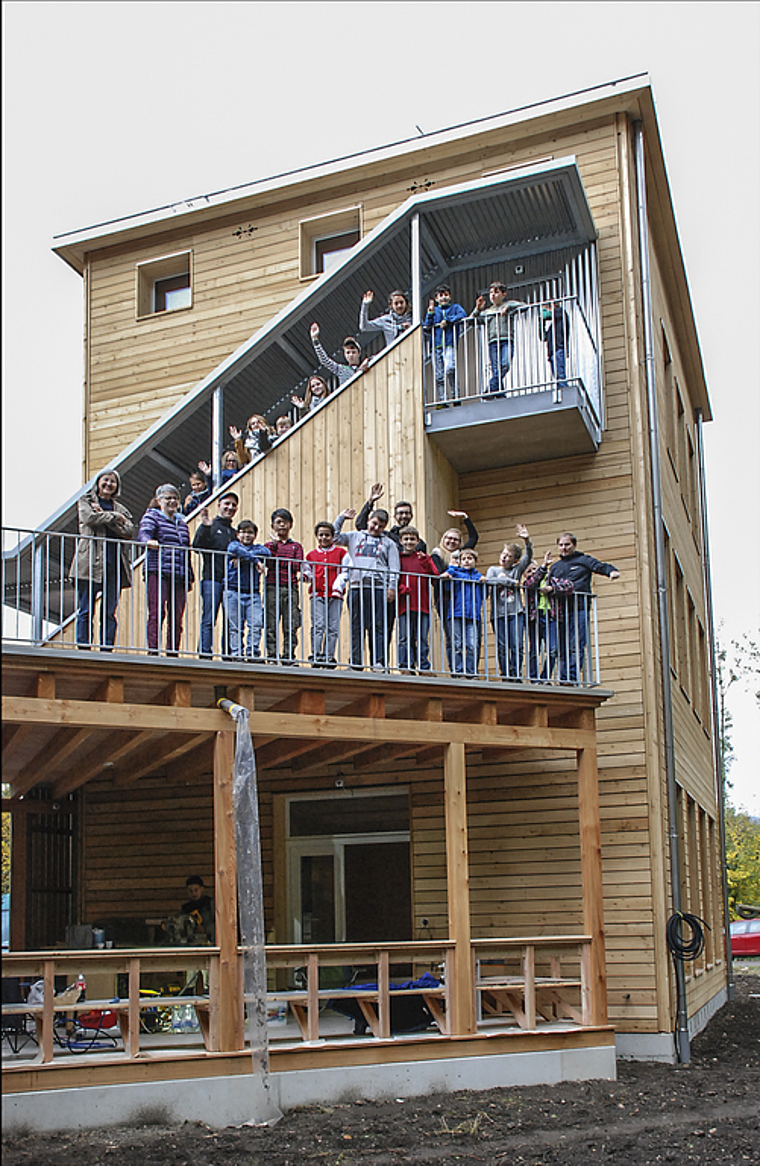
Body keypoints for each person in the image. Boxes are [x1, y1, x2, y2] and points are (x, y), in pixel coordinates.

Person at [70, 470, 136, 650]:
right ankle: (84, 647)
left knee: (109, 612)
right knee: (85, 609)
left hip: (114, 564)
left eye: (113, 481)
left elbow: (129, 531)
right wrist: (115, 518)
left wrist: (106, 516)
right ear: (98, 482)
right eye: (106, 480)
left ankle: (107, 648)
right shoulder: (86, 501)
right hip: (89, 562)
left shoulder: (121, 508)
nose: (109, 484)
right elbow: (89, 518)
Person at [545, 532, 620, 682]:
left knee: (576, 644)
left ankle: (570, 678)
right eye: (561, 545)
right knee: (562, 646)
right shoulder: (556, 566)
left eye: (567, 545)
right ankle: (563, 678)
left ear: (574, 545)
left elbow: (600, 566)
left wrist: (611, 571)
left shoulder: (583, 560)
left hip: (579, 608)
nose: (564, 548)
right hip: (560, 610)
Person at [333, 505, 400, 671]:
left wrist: (391, 586)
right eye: (374, 523)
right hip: (357, 587)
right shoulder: (355, 536)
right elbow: (334, 538)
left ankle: (379, 662)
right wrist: (341, 518)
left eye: (381, 526)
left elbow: (394, 567)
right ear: (369, 520)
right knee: (357, 625)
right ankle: (356, 663)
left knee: (378, 626)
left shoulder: (389, 543)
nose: (376, 528)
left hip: (379, 588)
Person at [138, 484, 193, 654]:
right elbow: (144, 533)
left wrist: (189, 575)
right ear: (158, 501)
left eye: (175, 498)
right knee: (157, 612)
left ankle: (172, 651)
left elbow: (186, 550)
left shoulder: (182, 523)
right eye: (168, 497)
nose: (172, 501)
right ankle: (153, 650)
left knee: (177, 616)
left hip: (179, 573)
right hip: (158, 570)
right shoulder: (152, 517)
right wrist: (148, 541)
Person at [192, 493, 240, 657]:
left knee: (230, 619)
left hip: (231, 582)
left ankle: (228, 654)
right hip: (212, 578)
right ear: (219, 505)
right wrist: (205, 526)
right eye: (227, 504)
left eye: (234, 505)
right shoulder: (210, 526)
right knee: (209, 618)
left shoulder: (235, 533)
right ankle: (205, 653)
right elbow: (197, 546)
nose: (230, 508)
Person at [430, 510, 479, 671]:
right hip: (445, 600)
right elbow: (437, 575)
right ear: (443, 539)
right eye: (449, 538)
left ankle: (470, 669)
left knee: (471, 639)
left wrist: (465, 518)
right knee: (452, 637)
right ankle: (456, 670)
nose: (452, 542)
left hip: (462, 599)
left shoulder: (461, 555)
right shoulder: (437, 554)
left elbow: (474, 538)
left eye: (455, 540)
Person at [486, 525, 533, 679]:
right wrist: (512, 582)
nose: (504, 558)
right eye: (503, 554)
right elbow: (490, 581)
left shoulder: (517, 570)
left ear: (515, 560)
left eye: (508, 556)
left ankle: (515, 673)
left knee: (517, 645)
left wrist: (526, 540)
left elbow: (528, 557)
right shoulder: (493, 570)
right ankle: (505, 673)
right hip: (498, 614)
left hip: (516, 612)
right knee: (502, 646)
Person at [223, 520, 271, 659]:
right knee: (235, 627)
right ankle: (237, 653)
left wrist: (244, 556)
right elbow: (233, 549)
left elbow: (266, 552)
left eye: (250, 532)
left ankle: (252, 652)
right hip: (233, 591)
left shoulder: (258, 548)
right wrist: (255, 560)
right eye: (243, 532)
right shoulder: (234, 544)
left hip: (252, 593)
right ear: (238, 534)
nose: (246, 535)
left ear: (255, 535)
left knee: (256, 624)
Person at [471, 282, 527, 396]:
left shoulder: (508, 306)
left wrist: (508, 307)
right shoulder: (487, 312)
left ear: (503, 294)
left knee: (505, 364)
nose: (493, 295)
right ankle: (500, 394)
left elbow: (524, 306)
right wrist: (477, 309)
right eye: (491, 292)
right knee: (496, 369)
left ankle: (491, 388)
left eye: (496, 292)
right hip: (492, 342)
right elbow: (471, 321)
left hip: (506, 340)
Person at [304, 521, 347, 666]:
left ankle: (329, 655)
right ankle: (316, 654)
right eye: (321, 535)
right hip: (318, 594)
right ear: (316, 536)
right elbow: (308, 572)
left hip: (335, 595)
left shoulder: (341, 553)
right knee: (318, 624)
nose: (324, 538)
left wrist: (339, 586)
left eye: (327, 535)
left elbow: (346, 571)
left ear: (332, 536)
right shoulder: (311, 555)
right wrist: (306, 577)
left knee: (333, 626)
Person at [263, 508, 304, 664]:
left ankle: (288, 656)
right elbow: (268, 562)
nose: (282, 525)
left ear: (291, 525)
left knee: (291, 623)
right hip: (272, 586)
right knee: (271, 622)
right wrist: (274, 546)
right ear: (273, 525)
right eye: (278, 522)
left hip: (291, 587)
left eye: (285, 522)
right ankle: (272, 656)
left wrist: (280, 562)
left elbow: (296, 565)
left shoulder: (296, 546)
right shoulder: (268, 545)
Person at [397, 526, 439, 672]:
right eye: (406, 539)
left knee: (422, 638)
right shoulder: (398, 558)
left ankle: (423, 666)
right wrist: (401, 588)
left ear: (417, 541)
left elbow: (435, 576)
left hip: (423, 604)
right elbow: (394, 578)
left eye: (412, 539)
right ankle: (405, 666)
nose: (409, 542)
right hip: (405, 604)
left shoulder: (424, 558)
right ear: (401, 541)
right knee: (404, 637)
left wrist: (426, 562)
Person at [438, 548, 485, 676]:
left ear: (475, 561)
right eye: (463, 559)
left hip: (473, 615)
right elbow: (445, 581)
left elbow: (484, 595)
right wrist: (452, 568)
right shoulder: (455, 574)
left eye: (469, 558)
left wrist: (483, 582)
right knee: (457, 644)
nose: (466, 561)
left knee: (472, 645)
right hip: (456, 613)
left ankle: (471, 672)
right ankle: (457, 671)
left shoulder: (478, 577)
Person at [423, 285, 467, 403]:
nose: (443, 298)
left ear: (450, 296)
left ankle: (455, 396)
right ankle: (443, 401)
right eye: (441, 295)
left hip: (449, 344)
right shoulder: (435, 310)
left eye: (446, 295)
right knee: (439, 376)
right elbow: (427, 326)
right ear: (436, 298)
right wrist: (430, 312)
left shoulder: (455, 307)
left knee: (450, 369)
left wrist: (448, 320)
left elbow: (463, 315)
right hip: (436, 346)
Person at [355, 483, 427, 552]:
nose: (404, 516)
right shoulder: (387, 536)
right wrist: (370, 502)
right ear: (395, 517)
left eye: (407, 513)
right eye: (401, 513)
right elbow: (361, 525)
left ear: (411, 516)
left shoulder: (419, 543)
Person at [523, 551, 554, 681]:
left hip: (550, 615)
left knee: (553, 650)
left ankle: (545, 677)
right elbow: (532, 583)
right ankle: (534, 678)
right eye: (529, 571)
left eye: (534, 569)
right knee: (534, 648)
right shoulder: (527, 583)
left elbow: (567, 585)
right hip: (534, 616)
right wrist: (542, 568)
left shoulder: (550, 579)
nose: (532, 573)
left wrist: (552, 588)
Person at [541, 300, 570, 387]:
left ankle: (565, 391)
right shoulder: (552, 327)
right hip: (553, 351)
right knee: (557, 376)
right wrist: (541, 323)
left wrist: (544, 314)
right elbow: (543, 336)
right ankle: (561, 391)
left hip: (558, 348)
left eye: (547, 308)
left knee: (560, 374)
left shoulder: (561, 313)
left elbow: (550, 315)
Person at [181, 875, 215, 944]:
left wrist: (205, 929)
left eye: (196, 890)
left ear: (202, 889)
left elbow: (219, 923)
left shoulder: (211, 904)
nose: (194, 893)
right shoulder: (185, 908)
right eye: (191, 891)